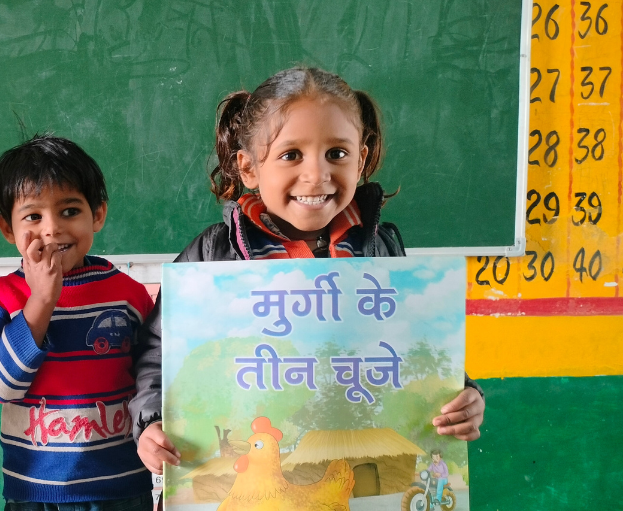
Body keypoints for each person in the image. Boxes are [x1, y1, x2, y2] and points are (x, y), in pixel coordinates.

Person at [131, 66, 486, 479]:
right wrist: (151, 421)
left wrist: (463, 394)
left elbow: (412, 345)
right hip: (255, 462)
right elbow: (158, 351)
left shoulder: (383, 250)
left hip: (356, 457)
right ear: (248, 168)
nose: (316, 175)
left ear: (362, 159)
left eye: (337, 153)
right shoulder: (213, 256)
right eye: (290, 155)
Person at [0, 134, 156, 511]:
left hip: (121, 488)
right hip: (35, 495)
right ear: (7, 227)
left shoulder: (127, 294)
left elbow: (154, 378)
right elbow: (1, 385)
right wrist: (41, 300)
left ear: (98, 215)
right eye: (32, 216)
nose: (52, 229)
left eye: (69, 210)